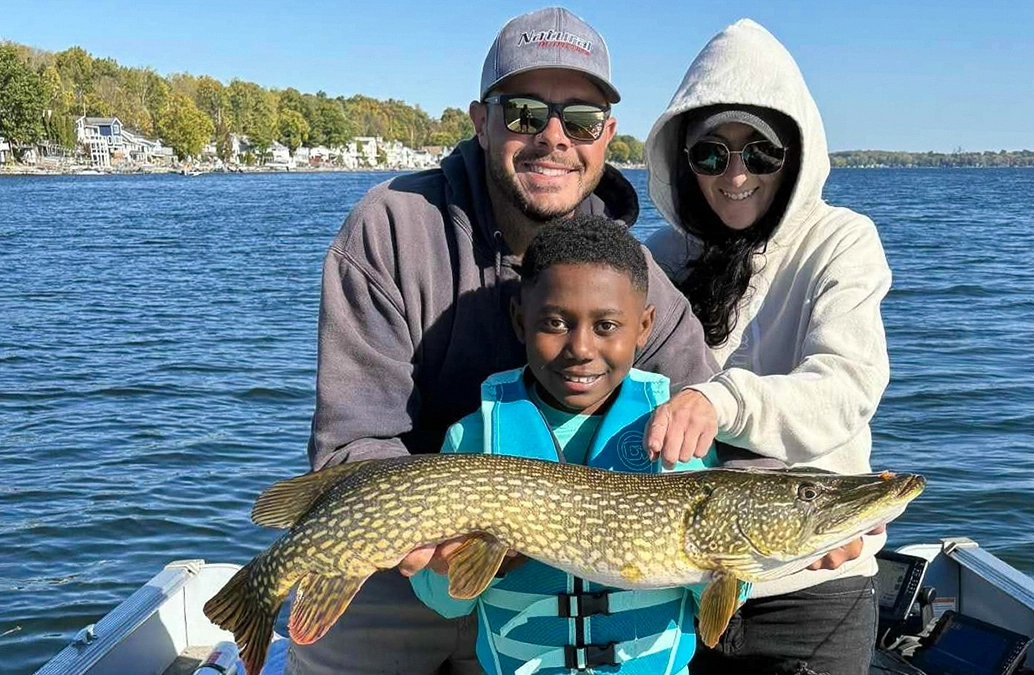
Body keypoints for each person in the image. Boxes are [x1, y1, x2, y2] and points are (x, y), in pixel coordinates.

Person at [289, 7, 717, 675]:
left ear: (606, 137)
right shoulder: (390, 230)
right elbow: (352, 443)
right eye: (523, 113)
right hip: (407, 558)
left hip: (560, 566)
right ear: (480, 121)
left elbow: (705, 406)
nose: (553, 138)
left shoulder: (627, 273)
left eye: (578, 121)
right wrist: (430, 536)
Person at [642, 19, 893, 675]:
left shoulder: (842, 241)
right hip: (681, 582)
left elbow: (845, 386)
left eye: (760, 152)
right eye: (709, 154)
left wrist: (719, 400)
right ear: (680, 159)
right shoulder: (658, 260)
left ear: (796, 154)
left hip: (811, 585)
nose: (735, 176)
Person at [411, 216, 728, 675]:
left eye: (606, 326)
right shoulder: (473, 439)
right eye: (556, 322)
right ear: (521, 321)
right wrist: (449, 567)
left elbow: (723, 597)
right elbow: (445, 603)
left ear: (644, 327)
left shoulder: (678, 436)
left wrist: (724, 567)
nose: (580, 348)